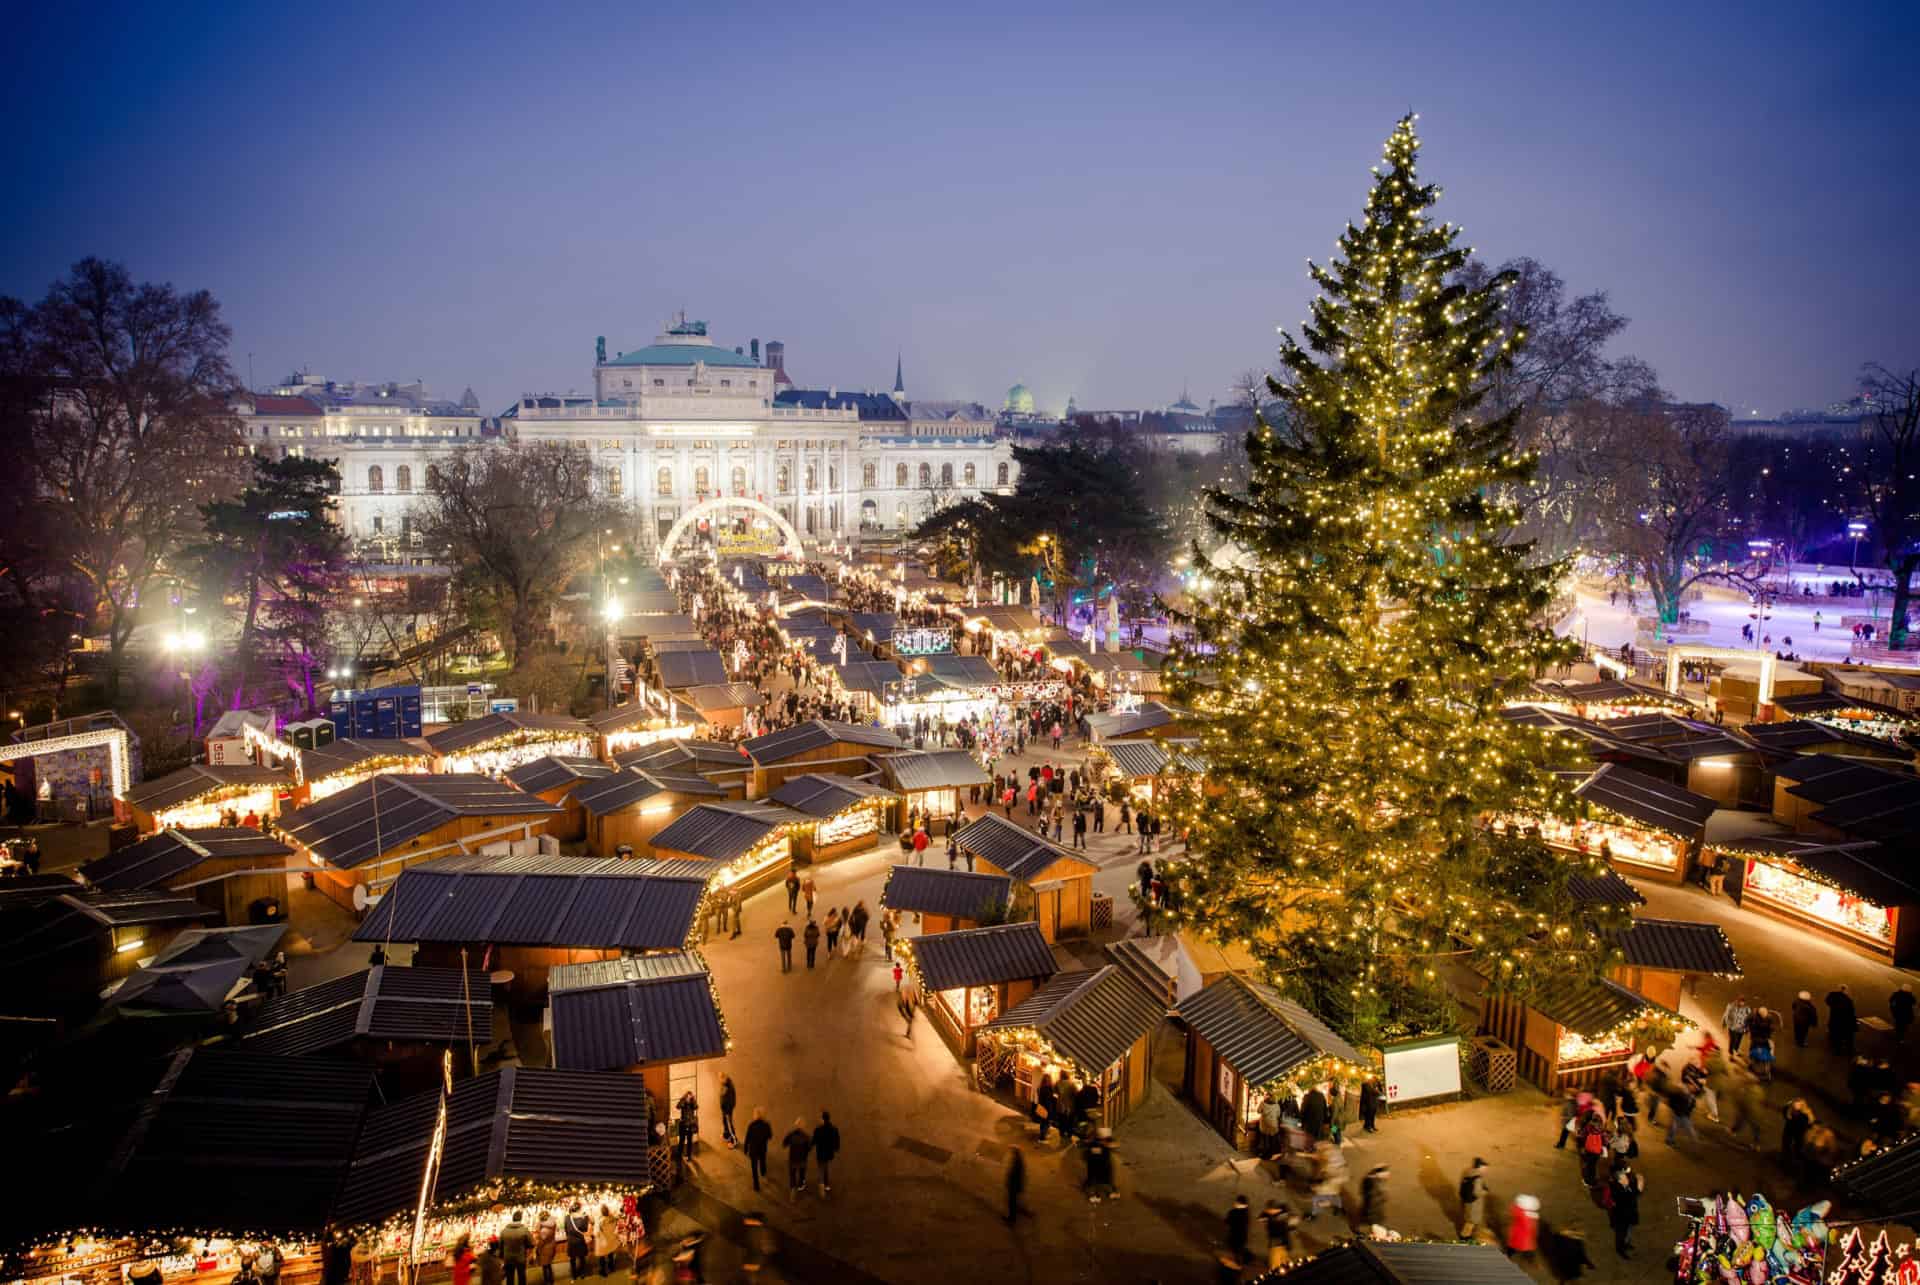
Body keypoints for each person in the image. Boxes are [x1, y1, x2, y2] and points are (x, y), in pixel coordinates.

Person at [1606, 1161, 1644, 1259]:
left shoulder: (1626, 1184)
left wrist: (1636, 1183)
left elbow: (1633, 1191)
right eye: (1624, 1178)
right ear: (1619, 1181)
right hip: (1621, 1218)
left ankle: (1626, 1244)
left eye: (1626, 1176)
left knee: (1628, 1231)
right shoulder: (1617, 1191)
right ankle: (1620, 1249)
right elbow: (1632, 1195)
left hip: (1629, 1215)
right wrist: (1640, 1185)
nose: (1627, 1178)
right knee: (1621, 1234)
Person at [812, 1110, 841, 1196]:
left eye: (820, 1118)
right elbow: (837, 1139)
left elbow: (814, 1141)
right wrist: (836, 1148)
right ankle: (826, 1184)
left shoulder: (818, 1129)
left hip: (820, 1152)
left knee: (821, 1168)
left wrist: (809, 1146)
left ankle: (822, 1185)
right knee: (825, 1166)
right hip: (828, 1153)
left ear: (823, 1119)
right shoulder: (834, 1129)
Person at [782, 1118, 812, 1201]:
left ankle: (792, 1190)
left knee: (792, 1175)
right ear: (803, 1126)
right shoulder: (806, 1137)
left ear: (795, 1125)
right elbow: (809, 1148)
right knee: (802, 1173)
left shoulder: (791, 1134)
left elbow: (784, 1143)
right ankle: (801, 1185)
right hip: (802, 1159)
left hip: (793, 1159)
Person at [1083, 1126, 1115, 1202]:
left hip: (1105, 1166)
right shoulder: (1094, 1144)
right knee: (1093, 1180)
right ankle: (1093, 1193)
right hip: (1095, 1166)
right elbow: (1089, 1154)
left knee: (1107, 1179)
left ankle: (1111, 1191)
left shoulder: (1106, 1143)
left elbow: (1113, 1144)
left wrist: (1107, 1145)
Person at [1260, 1199, 1295, 1269]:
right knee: (1284, 1264)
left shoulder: (1274, 1219)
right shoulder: (1282, 1214)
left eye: (1269, 1209)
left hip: (1276, 1245)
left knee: (1276, 1266)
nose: (1267, 1211)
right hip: (1283, 1244)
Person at [1458, 1158, 1488, 1239]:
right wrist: (1485, 1191)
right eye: (1484, 1167)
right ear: (1480, 1166)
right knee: (1471, 1222)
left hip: (1467, 1201)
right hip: (1474, 1204)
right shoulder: (1478, 1178)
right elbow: (1477, 1192)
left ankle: (1467, 1235)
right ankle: (1464, 1237)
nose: (1486, 1169)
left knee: (1470, 1220)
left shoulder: (1468, 1172)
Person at [1505, 1195, 1540, 1264]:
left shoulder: (1518, 1210)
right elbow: (1532, 1228)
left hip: (1516, 1236)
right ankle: (1531, 1261)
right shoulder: (1530, 1216)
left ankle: (1508, 1256)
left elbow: (1513, 1211)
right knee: (1528, 1251)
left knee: (1512, 1248)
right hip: (1526, 1240)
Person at [744, 1108, 773, 1192]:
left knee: (754, 1166)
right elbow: (770, 1136)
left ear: (755, 1115)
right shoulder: (766, 1125)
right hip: (762, 1148)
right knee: (763, 1160)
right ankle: (763, 1172)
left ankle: (756, 1184)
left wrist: (746, 1148)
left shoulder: (751, 1125)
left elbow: (747, 1138)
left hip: (753, 1150)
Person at [498, 1213, 531, 1285]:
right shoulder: (524, 1230)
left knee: (509, 1278)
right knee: (521, 1277)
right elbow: (530, 1243)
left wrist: (501, 1256)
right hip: (520, 1257)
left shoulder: (504, 1231)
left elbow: (500, 1245)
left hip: (508, 1258)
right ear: (520, 1219)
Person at [564, 1204, 591, 1282]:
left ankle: (573, 1275)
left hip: (571, 1241)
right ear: (579, 1210)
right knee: (582, 1258)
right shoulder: (583, 1218)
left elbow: (566, 1229)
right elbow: (585, 1229)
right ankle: (582, 1274)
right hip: (580, 1241)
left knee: (572, 1259)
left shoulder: (567, 1218)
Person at [1829, 984, 1859, 1055]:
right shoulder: (1848, 1001)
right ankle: (1849, 1049)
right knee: (1848, 1036)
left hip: (1835, 1018)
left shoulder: (1833, 995)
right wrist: (1854, 1022)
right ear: (1845, 991)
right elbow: (1851, 1012)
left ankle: (1837, 1049)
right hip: (1844, 1020)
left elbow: (1828, 1001)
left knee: (1836, 1034)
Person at [1361, 1164, 1390, 1232]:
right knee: (1379, 1232)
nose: (1387, 1176)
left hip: (1376, 1213)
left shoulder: (1374, 1180)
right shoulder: (1371, 1182)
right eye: (1385, 1173)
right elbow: (1371, 1201)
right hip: (1374, 1215)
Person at [594, 1205, 621, 1277]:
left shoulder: (599, 1221)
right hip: (611, 1240)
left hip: (602, 1242)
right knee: (610, 1255)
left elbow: (596, 1233)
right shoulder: (612, 1219)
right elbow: (615, 1227)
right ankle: (611, 1268)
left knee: (602, 1257)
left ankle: (603, 1272)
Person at [1005, 1145, 1029, 1224]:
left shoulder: (1017, 1163)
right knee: (1015, 1200)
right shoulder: (1019, 1161)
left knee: (1012, 1202)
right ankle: (1020, 1211)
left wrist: (1009, 1183)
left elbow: (1014, 1176)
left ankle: (1012, 1219)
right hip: (1017, 1186)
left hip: (1014, 1186)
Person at [1225, 1195, 1251, 1267]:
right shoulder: (1246, 1212)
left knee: (1235, 1249)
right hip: (1242, 1235)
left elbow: (1227, 1221)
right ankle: (1240, 1261)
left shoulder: (1233, 1212)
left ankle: (1238, 1262)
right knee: (1239, 1249)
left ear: (1238, 1203)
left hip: (1234, 1235)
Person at [533, 1212, 558, 1285]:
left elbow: (541, 1241)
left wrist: (536, 1247)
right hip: (551, 1246)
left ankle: (547, 1281)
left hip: (544, 1249)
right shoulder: (552, 1224)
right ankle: (551, 1280)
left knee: (545, 1266)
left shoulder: (544, 1230)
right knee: (549, 1265)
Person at [1036, 1073, 1059, 1142]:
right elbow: (1048, 1100)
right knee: (1046, 1123)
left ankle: (1042, 1135)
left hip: (1042, 1107)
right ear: (1049, 1080)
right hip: (1047, 1108)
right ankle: (1042, 1138)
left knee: (1043, 1122)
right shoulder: (1048, 1089)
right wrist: (1050, 1111)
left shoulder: (1041, 1087)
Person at [719, 1075, 738, 1148]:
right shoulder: (725, 1085)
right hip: (725, 1109)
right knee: (724, 1122)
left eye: (720, 1079)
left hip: (727, 1110)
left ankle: (734, 1140)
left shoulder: (728, 1088)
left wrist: (727, 1111)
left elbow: (730, 1101)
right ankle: (726, 1135)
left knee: (729, 1124)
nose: (719, 1080)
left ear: (724, 1079)